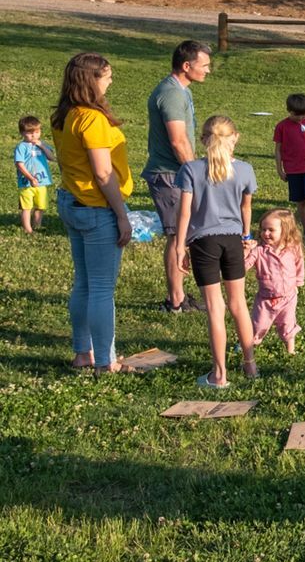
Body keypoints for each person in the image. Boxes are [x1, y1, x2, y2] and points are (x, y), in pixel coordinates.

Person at [50, 53, 132, 373]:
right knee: (101, 288)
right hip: (97, 209)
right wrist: (121, 214)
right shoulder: (91, 118)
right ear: (91, 80)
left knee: (83, 283)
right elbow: (103, 173)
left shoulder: (64, 114)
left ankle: (83, 352)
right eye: (107, 76)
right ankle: (105, 361)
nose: (110, 81)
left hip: (72, 202)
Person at [173, 115, 259, 390]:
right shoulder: (245, 170)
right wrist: (247, 236)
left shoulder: (190, 170)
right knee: (238, 304)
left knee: (214, 307)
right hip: (233, 240)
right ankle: (250, 364)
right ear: (235, 138)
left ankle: (219, 374)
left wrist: (179, 245)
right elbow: (246, 208)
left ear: (202, 140)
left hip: (203, 242)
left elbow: (185, 211)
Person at [144, 39, 211, 311]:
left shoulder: (181, 90)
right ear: (187, 65)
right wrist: (195, 173)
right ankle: (176, 300)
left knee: (182, 235)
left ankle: (180, 295)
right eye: (204, 65)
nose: (208, 70)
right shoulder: (171, 94)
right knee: (177, 237)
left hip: (177, 173)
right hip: (170, 175)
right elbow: (178, 141)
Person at [247, 209, 305, 357]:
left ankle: (290, 350)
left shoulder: (293, 248)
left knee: (288, 323)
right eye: (263, 229)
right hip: (266, 298)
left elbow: (299, 264)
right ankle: (247, 345)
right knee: (258, 325)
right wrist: (247, 251)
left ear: (285, 231)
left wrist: (298, 283)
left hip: (288, 297)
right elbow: (244, 267)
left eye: (271, 230)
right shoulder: (259, 251)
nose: (266, 233)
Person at [271, 94, 305, 243]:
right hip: (292, 169)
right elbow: (278, 149)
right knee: (300, 201)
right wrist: (279, 169)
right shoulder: (282, 126)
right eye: (296, 115)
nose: (300, 118)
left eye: (304, 114)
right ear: (289, 111)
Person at [16, 115, 54, 234]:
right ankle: (28, 229)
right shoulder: (21, 147)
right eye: (30, 133)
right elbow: (19, 164)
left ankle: (37, 225)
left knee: (40, 205)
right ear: (22, 133)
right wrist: (30, 178)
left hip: (42, 181)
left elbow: (51, 157)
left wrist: (42, 146)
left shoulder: (41, 144)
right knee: (26, 207)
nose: (34, 135)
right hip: (26, 183)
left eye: (37, 132)